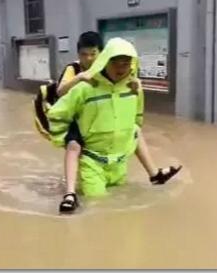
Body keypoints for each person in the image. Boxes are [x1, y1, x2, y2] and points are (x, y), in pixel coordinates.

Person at [43, 37, 181, 212]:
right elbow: (58, 110)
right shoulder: (84, 87)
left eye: (126, 64)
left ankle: (154, 174)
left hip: (119, 164)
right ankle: (70, 194)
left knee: (120, 212)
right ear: (105, 61)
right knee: (98, 209)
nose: (121, 68)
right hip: (91, 163)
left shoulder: (133, 89)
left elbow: (137, 119)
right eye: (116, 63)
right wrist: (67, 134)